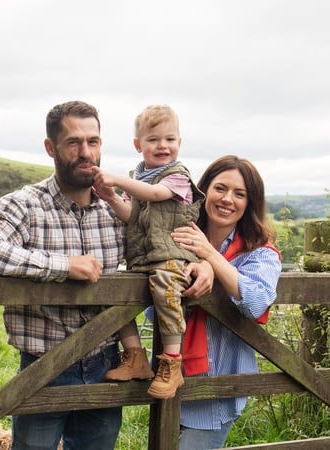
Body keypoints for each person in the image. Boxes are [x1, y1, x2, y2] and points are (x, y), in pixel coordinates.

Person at [0, 101, 125, 450]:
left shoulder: (118, 207)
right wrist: (63, 266)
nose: (86, 152)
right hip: (44, 367)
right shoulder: (25, 204)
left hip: (107, 366)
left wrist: (200, 262)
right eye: (73, 142)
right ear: (51, 147)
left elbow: (162, 246)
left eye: (93, 141)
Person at [92, 105, 204, 400]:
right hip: (142, 259)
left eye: (170, 139)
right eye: (153, 140)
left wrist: (116, 179)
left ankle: (171, 363)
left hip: (171, 256)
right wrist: (111, 198)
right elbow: (131, 214)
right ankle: (134, 357)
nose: (162, 146)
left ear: (180, 143)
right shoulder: (138, 176)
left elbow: (156, 195)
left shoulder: (177, 175)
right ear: (138, 145)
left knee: (167, 293)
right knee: (115, 294)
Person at [170, 155, 282, 449]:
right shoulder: (180, 236)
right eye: (220, 188)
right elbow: (148, 306)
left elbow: (256, 301)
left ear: (250, 202)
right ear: (204, 190)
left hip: (216, 392)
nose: (227, 199)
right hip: (170, 380)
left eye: (240, 194)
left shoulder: (260, 253)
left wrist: (210, 257)